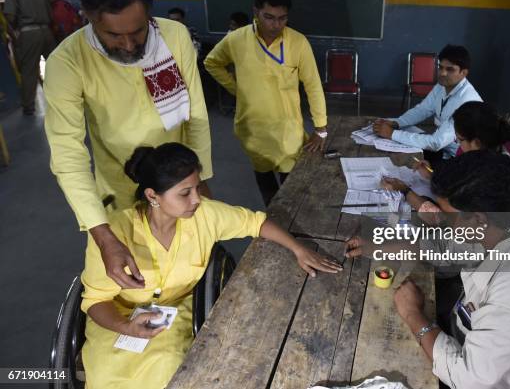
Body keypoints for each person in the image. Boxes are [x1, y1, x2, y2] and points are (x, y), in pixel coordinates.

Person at [81, 142, 343, 389]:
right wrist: (126, 326)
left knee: (167, 365)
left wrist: (298, 248)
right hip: (117, 317)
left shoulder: (204, 215)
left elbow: (255, 222)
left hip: (174, 311)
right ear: (153, 196)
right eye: (185, 193)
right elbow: (95, 300)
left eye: (197, 188)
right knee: (106, 373)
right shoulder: (114, 234)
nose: (197, 199)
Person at [44, 0, 213, 290]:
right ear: (89, 17)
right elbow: (68, 156)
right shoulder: (67, 62)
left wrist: (201, 179)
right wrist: (103, 235)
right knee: (138, 283)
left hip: (178, 182)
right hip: (120, 193)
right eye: (114, 35)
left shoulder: (174, 37)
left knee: (190, 268)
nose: (130, 45)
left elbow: (196, 118)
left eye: (138, 31)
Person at [347, 150, 510, 389]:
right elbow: (444, 246)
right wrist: (376, 247)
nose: (444, 221)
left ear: (477, 219)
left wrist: (413, 313)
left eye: (448, 216)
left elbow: (469, 378)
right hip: (483, 343)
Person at [205, 0, 328, 206]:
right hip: (253, 127)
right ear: (256, 12)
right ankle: (275, 218)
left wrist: (320, 128)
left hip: (287, 129)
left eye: (282, 18)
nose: (275, 24)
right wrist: (236, 89)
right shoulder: (237, 39)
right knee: (264, 179)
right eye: (269, 17)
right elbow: (212, 62)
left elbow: (313, 85)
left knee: (291, 185)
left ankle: (290, 222)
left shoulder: (298, 42)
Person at [382, 102, 510, 221]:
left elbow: (442, 220)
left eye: (459, 139)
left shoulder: (492, 179)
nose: (457, 143)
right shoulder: (479, 156)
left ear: (476, 142)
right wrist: (432, 176)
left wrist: (404, 191)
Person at [372, 45, 482, 168]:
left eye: (450, 69)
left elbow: (436, 142)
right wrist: (397, 123)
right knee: (392, 153)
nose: (443, 73)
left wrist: (392, 134)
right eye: (440, 67)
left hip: (462, 160)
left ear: (464, 72)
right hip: (444, 149)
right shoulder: (442, 86)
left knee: (404, 166)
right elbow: (423, 109)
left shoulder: (466, 101)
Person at [3, 0, 56, 115]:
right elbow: (50, 15)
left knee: (29, 71)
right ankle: (68, 96)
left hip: (29, 34)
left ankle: (29, 106)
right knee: (57, 66)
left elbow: (11, 17)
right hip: (47, 33)